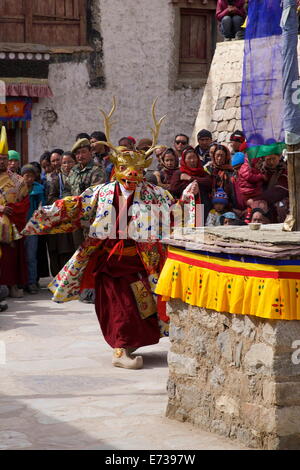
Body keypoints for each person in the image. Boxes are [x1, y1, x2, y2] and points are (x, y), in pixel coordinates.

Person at [22, 100, 190, 370]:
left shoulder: (155, 194)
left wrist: (187, 205)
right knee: (118, 306)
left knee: (141, 305)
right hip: (109, 261)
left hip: (140, 261)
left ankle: (127, 344)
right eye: (127, 175)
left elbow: (173, 215)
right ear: (117, 171)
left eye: (137, 176)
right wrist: (45, 217)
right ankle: (121, 348)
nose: (131, 180)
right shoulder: (100, 192)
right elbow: (75, 206)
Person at [0, 127, 29, 298]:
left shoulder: (18, 181)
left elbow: (24, 203)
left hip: (11, 226)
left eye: (5, 158)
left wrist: (10, 213)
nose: (2, 162)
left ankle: (11, 286)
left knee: (10, 258)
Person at [46, 152, 77, 277]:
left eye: (70, 162)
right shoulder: (56, 180)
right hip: (62, 220)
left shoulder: (78, 177)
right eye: (64, 163)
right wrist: (64, 202)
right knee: (64, 250)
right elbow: (50, 199)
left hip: (77, 218)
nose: (67, 165)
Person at [170, 145, 212, 221]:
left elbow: (209, 182)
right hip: (184, 206)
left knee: (200, 228)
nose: (192, 160)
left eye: (194, 157)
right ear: (184, 160)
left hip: (201, 206)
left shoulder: (202, 172)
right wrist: (192, 185)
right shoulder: (179, 173)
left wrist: (190, 178)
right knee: (186, 229)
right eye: (189, 158)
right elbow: (174, 188)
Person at [21, 164, 45, 294]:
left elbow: (43, 206)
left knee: (31, 256)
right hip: (19, 226)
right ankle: (21, 282)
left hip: (32, 227)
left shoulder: (39, 189)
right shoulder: (18, 189)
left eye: (31, 176)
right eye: (26, 176)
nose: (29, 178)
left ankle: (31, 282)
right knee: (20, 256)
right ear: (22, 176)